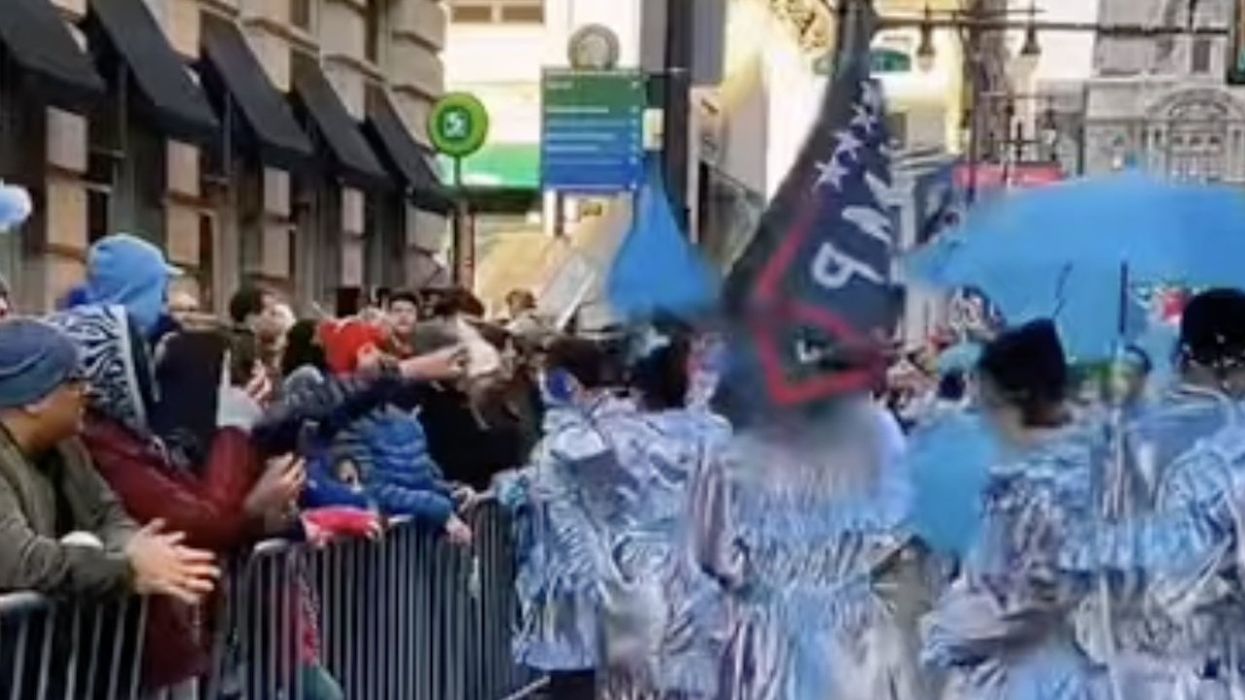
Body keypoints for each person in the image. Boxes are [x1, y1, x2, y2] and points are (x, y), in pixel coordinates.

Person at [691, 344, 928, 700]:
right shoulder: (878, 430)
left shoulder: (731, 454)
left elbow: (715, 554)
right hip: (850, 629)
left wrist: (763, 585)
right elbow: (898, 528)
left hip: (769, 631)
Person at [0, 318, 218, 601]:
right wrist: (126, 570)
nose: (88, 391)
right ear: (33, 400)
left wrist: (133, 547)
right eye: (73, 380)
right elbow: (18, 561)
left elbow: (107, 514)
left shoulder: (68, 444)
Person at [303, 319, 473, 544]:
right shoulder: (342, 427)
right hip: (375, 552)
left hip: (413, 552)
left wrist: (451, 493)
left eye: (383, 349)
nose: (384, 358)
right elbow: (369, 490)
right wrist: (439, 509)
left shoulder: (405, 420)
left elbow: (421, 477)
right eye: (372, 350)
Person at [386, 290, 422, 358]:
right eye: (397, 311)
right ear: (388, 315)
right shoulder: (379, 345)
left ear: (417, 316)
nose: (403, 315)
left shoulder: (428, 347)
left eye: (409, 311)